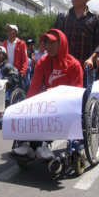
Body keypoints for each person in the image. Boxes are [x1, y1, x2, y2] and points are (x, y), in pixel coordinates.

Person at [12, 29, 83, 160]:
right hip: (48, 102)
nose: (48, 46)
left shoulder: (74, 65)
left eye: (52, 43)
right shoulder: (42, 63)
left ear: (61, 43)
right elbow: (34, 87)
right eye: (46, 43)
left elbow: (76, 94)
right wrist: (28, 106)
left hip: (66, 104)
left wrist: (58, 94)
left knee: (51, 113)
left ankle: (43, 145)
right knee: (32, 109)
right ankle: (27, 144)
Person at [54, 0, 99, 93]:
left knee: (85, 100)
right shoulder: (62, 17)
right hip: (65, 68)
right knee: (64, 99)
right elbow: (54, 39)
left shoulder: (95, 18)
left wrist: (92, 58)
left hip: (87, 68)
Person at [1, 23, 29, 92]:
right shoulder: (3, 44)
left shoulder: (21, 44)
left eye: (10, 30)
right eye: (7, 30)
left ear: (15, 32)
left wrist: (23, 71)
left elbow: (25, 59)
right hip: (7, 72)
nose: (8, 32)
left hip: (18, 72)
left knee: (19, 91)